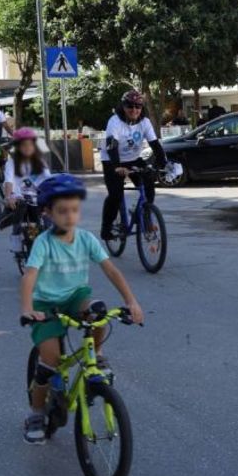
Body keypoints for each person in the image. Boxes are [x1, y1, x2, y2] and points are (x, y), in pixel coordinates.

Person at [20, 174, 143, 444]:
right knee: (49, 362)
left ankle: (96, 355)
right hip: (46, 304)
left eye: (74, 210)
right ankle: (36, 413)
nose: (69, 216)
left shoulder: (86, 239)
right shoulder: (44, 242)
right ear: (47, 213)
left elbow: (110, 269)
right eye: (62, 211)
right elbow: (30, 275)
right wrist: (29, 308)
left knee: (98, 312)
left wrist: (131, 301)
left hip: (76, 296)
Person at [99, 90, 167, 241]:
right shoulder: (115, 121)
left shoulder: (145, 122)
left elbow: (155, 144)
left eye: (138, 106)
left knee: (149, 186)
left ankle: (144, 215)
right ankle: (106, 228)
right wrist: (117, 166)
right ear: (123, 106)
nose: (134, 110)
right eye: (130, 106)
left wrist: (164, 163)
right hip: (112, 160)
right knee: (115, 196)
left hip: (133, 158)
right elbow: (111, 145)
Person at [1, 128, 51, 248]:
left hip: (36, 195)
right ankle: (16, 234)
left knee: (45, 219)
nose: (27, 147)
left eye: (30, 144)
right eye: (23, 145)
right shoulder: (12, 162)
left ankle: (43, 243)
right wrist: (9, 197)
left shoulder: (39, 161)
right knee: (20, 211)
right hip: (18, 194)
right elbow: (9, 180)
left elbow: (48, 179)